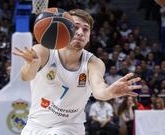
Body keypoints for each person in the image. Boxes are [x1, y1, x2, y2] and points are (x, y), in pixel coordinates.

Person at [13, 9, 142, 135]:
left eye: (85, 29)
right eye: (75, 27)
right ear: (64, 29)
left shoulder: (94, 63)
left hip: (68, 127)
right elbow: (26, 76)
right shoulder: (43, 51)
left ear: (89, 37)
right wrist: (32, 65)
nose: (80, 32)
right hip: (35, 125)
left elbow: (99, 90)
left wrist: (109, 92)